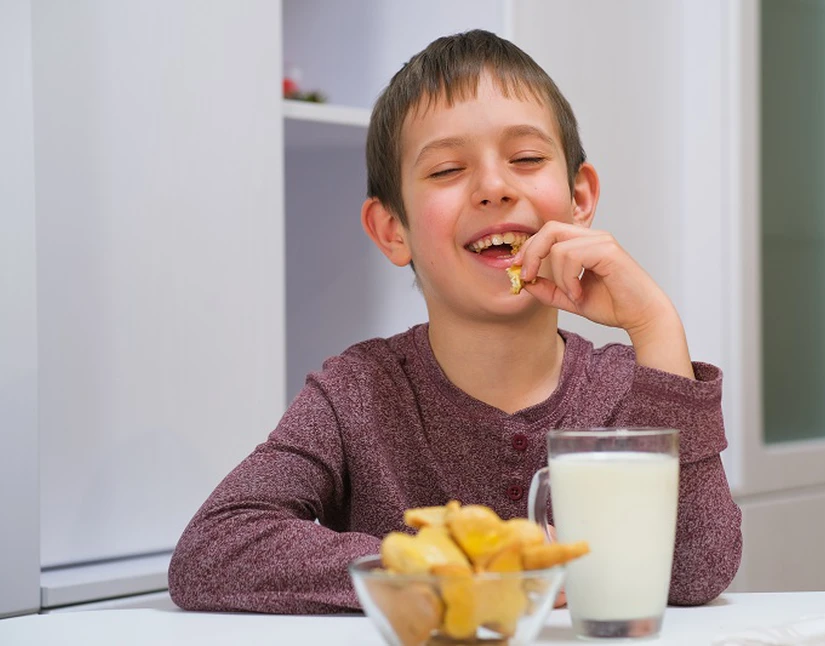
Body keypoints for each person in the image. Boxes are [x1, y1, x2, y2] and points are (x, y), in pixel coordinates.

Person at [168, 29, 742, 614]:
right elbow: (214, 550)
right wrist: (461, 574)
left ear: (580, 198)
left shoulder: (630, 393)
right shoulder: (356, 393)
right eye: (446, 170)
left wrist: (655, 325)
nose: (494, 188)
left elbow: (696, 570)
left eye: (525, 159)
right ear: (393, 230)